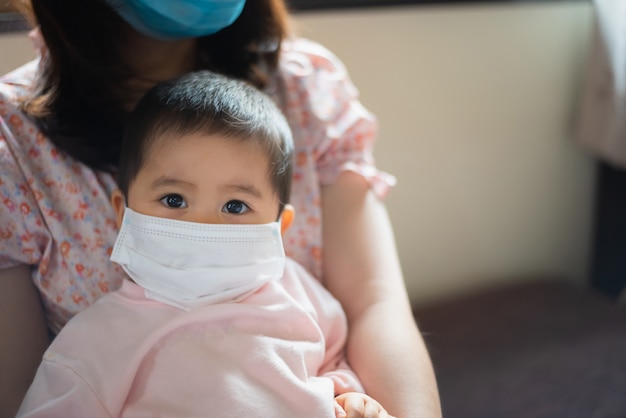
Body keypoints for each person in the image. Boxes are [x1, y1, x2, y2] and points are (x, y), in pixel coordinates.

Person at [0, 1, 441, 417]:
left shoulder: (297, 291)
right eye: (174, 200)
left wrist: (349, 396)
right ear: (121, 211)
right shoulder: (100, 338)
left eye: (235, 205)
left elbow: (343, 343)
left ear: (279, 224)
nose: (204, 223)